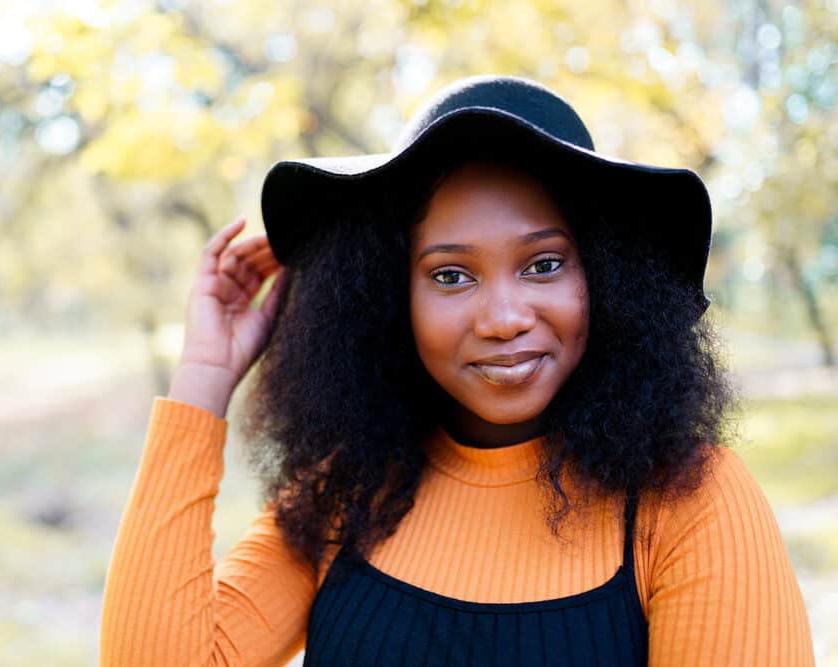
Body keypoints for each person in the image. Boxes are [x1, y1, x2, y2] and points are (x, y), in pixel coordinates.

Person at [98, 75, 815, 666]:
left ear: (605, 277)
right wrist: (202, 377)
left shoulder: (689, 501)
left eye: (544, 264)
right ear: (391, 297)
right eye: (450, 274)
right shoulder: (348, 489)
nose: (503, 316)